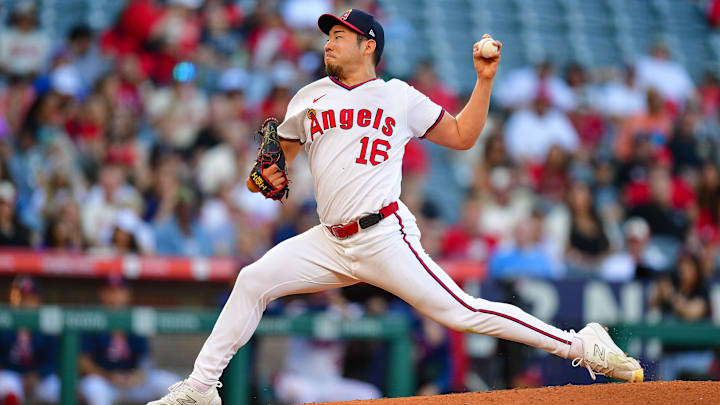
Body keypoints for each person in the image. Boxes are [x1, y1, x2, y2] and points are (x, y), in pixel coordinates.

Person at [148, 9, 643, 405]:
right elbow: (275, 168)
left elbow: (465, 136)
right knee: (252, 280)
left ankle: (584, 345)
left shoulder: (397, 97)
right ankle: (199, 388)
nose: (329, 41)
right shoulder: (307, 98)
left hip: (384, 234)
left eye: (340, 35)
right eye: (327, 35)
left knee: (463, 312)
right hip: (328, 239)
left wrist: (484, 79)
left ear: (369, 46)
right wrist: (266, 178)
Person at [79, 276, 179, 405]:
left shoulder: (135, 318)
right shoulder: (92, 319)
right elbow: (83, 362)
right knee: (95, 388)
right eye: (111, 291)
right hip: (104, 382)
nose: (115, 296)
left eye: (120, 291)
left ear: (128, 295)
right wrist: (108, 376)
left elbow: (145, 359)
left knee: (171, 384)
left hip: (133, 383)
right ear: (102, 293)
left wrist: (137, 376)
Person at [0, 276, 59, 405]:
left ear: (38, 300)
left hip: (39, 378)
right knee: (7, 387)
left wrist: (37, 375)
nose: (25, 302)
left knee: (57, 389)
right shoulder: (4, 322)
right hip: (10, 375)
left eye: (30, 298)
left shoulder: (47, 325)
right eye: (21, 297)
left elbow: (53, 361)